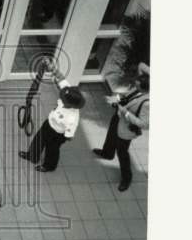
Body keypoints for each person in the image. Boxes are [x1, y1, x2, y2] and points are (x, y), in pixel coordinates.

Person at [94, 63, 149, 192]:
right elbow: (141, 65)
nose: (135, 87)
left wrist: (125, 112)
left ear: (145, 89)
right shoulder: (141, 85)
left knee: (122, 153)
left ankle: (126, 178)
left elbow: (144, 124)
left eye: (137, 86)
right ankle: (107, 153)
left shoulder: (148, 103)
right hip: (118, 118)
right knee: (111, 135)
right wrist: (117, 98)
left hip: (126, 128)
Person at [19, 71, 86, 172]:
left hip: (58, 134)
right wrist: (54, 69)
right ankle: (32, 156)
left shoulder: (72, 117)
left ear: (71, 105)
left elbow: (70, 133)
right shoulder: (69, 92)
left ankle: (49, 166)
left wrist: (65, 137)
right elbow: (62, 79)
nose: (62, 100)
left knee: (52, 150)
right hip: (49, 124)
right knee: (39, 139)